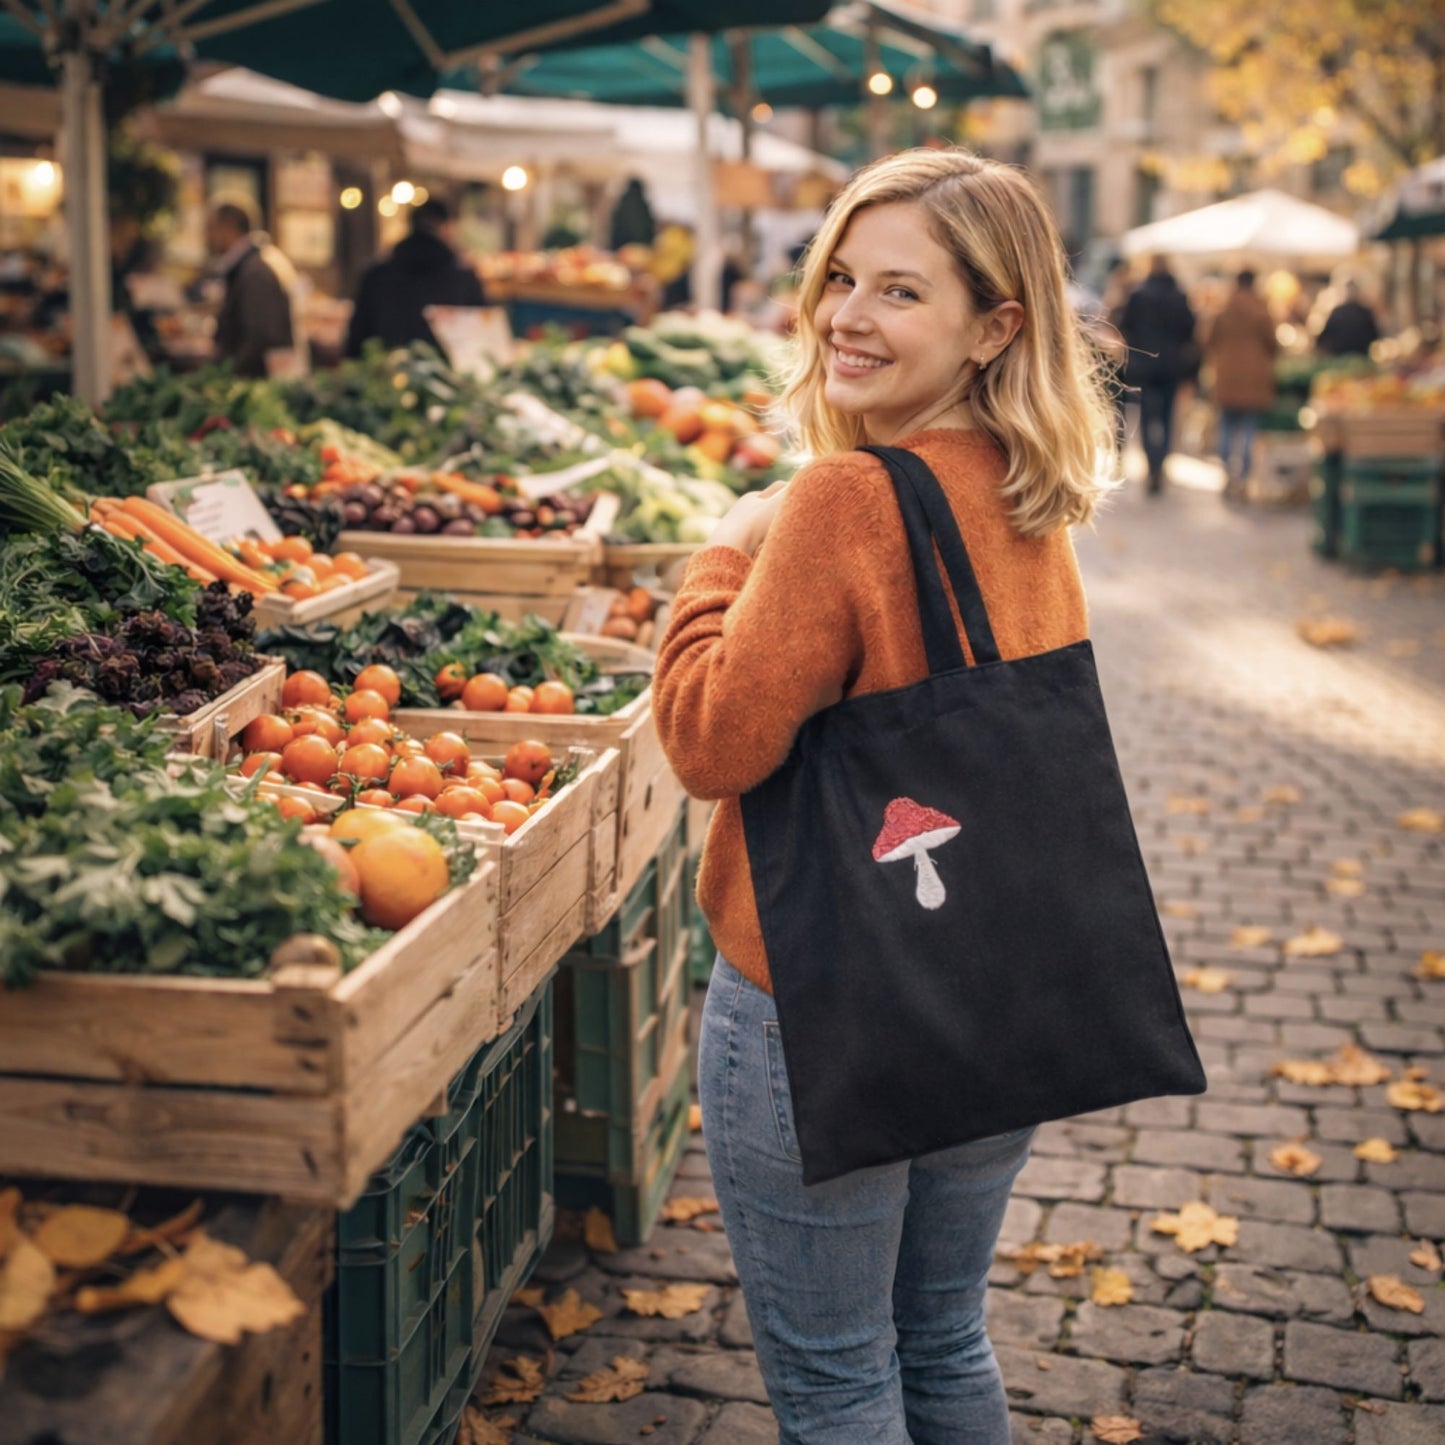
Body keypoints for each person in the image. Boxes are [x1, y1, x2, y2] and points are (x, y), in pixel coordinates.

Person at [652, 147, 1116, 1445]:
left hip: (825, 1003)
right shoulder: (1030, 488)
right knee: (943, 1335)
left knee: (838, 1381)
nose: (846, 316)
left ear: (994, 326)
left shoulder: (843, 500)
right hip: (994, 986)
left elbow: (708, 742)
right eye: (840, 277)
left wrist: (718, 560)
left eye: (900, 292)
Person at [345, 198, 486, 357]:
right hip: (447, 371)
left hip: (384, 368)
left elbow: (357, 338)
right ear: (446, 227)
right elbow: (481, 338)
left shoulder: (375, 276)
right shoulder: (463, 279)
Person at [1118, 255, 1197, 494]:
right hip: (1171, 365)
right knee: (1166, 416)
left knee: (1147, 416)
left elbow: (1125, 325)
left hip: (1144, 366)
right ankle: (1160, 461)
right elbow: (1189, 330)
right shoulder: (1179, 296)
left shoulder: (1138, 295)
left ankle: (1152, 462)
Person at [206, 198, 305, 378]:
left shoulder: (255, 271)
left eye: (212, 228)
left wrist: (230, 372)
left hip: (255, 379)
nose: (209, 236)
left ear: (228, 226)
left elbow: (260, 335)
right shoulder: (252, 264)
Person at [1204, 269, 1280, 501]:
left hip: (1227, 373)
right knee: (1249, 428)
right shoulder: (1261, 310)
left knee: (1227, 426)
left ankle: (1228, 472)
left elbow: (1209, 340)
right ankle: (1244, 476)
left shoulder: (1224, 310)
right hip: (1254, 376)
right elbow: (1273, 344)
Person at [1316, 279, 1381, 357]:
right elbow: (1375, 336)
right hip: (1360, 356)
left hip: (1340, 355)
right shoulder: (1365, 312)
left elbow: (1323, 337)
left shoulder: (1337, 312)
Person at [608, 177, 656, 251]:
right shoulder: (642, 204)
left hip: (622, 247)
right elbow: (649, 225)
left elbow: (616, 224)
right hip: (641, 247)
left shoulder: (623, 202)